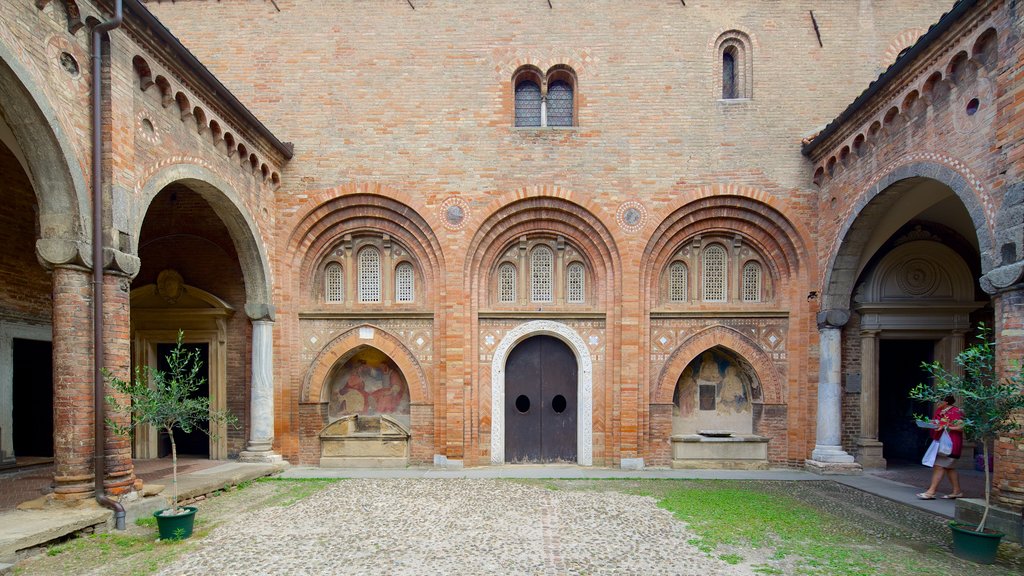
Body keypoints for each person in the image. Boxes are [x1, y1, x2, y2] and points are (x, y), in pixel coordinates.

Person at [917, 394, 964, 499]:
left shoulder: (956, 411)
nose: (937, 403)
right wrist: (927, 423)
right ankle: (957, 491)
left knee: (939, 466)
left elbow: (961, 427)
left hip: (951, 443)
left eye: (939, 401)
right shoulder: (939, 410)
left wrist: (946, 426)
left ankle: (931, 492)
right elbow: (937, 423)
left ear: (946, 402)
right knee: (949, 468)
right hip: (940, 442)